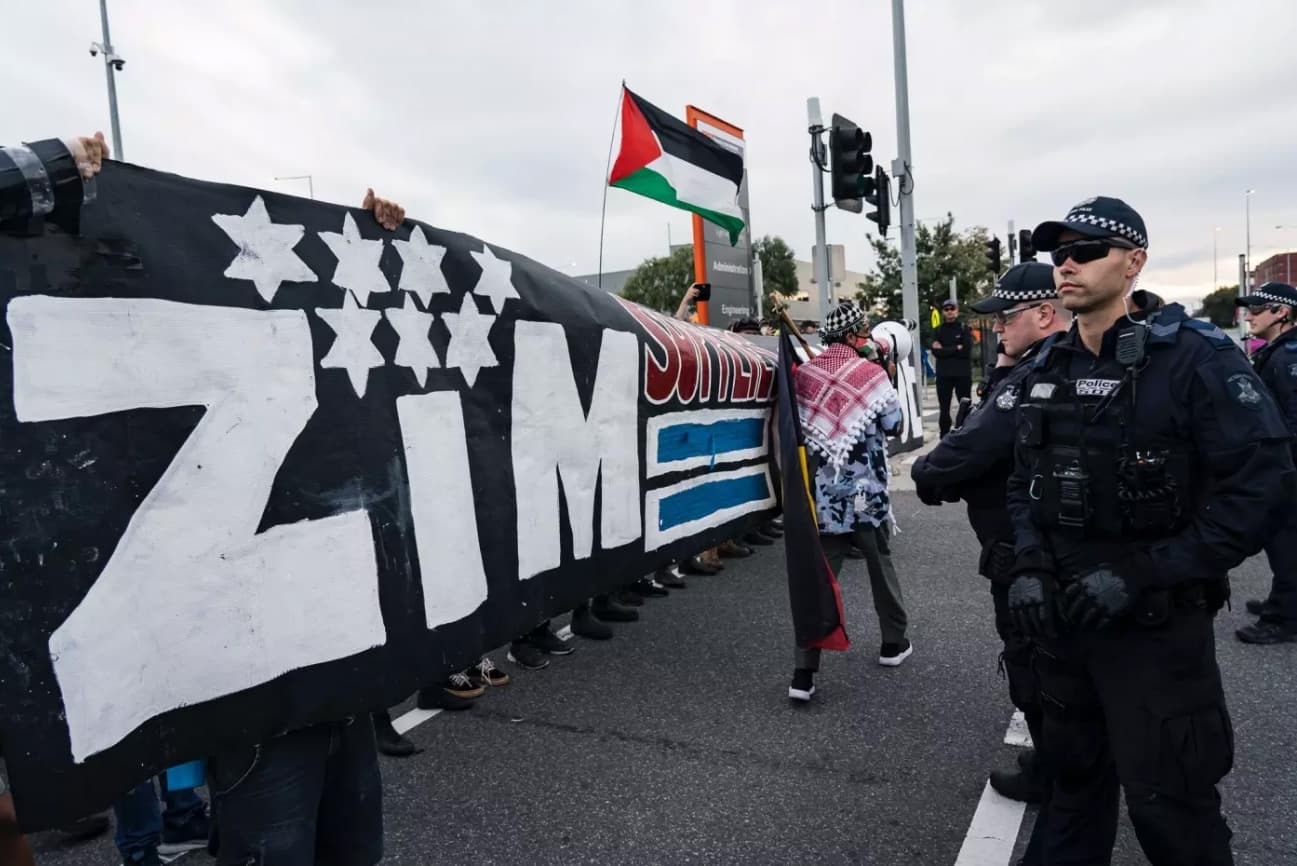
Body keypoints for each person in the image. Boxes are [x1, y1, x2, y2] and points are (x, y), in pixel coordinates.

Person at [1004, 196, 1295, 865]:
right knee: (1072, 795)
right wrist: (1027, 565)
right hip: (1063, 621)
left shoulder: (1193, 360)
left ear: (1133, 261)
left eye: (1085, 251)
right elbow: (1023, 481)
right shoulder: (1050, 365)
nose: (1065, 265)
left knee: (1170, 806)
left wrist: (1145, 572)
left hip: (1154, 629)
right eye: (1058, 254)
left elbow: (1261, 483)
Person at [208, 187, 406, 866]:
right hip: (257, 709)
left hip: (341, 691)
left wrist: (365, 240)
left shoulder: (339, 398)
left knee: (354, 851)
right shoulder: (215, 416)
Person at [911, 262, 1084, 865]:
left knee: (1036, 667)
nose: (994, 330)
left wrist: (928, 475)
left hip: (1026, 551)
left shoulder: (1039, 373)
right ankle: (1057, 763)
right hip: (1031, 546)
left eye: (1006, 318)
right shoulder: (1040, 365)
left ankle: (1061, 776)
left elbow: (970, 445)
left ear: (1044, 314)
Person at [789, 301, 909, 702]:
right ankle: (893, 643)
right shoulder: (872, 373)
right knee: (881, 566)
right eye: (865, 331)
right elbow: (895, 425)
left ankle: (803, 673)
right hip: (866, 496)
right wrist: (887, 374)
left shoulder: (806, 375)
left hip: (825, 497)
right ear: (855, 334)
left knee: (820, 580)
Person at [1233, 281, 1297, 644]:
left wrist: (1278, 469)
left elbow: (1292, 421)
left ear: (1282, 313)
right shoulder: (1278, 350)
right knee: (1281, 540)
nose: (1250, 315)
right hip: (1284, 464)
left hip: (1288, 466)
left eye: (1258, 309)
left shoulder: (1289, 357)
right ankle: (1283, 599)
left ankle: (1284, 617)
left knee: (1287, 541)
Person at [931, 299, 973, 436]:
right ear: (943, 312)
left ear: (957, 311)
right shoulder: (938, 330)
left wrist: (945, 350)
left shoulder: (963, 328)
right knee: (944, 408)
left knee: (965, 405)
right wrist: (956, 348)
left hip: (962, 374)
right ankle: (944, 436)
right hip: (944, 375)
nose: (949, 312)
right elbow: (936, 352)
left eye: (952, 309)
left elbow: (966, 350)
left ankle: (966, 432)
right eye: (946, 309)